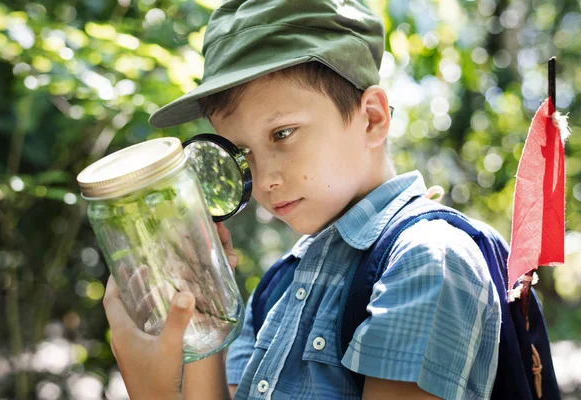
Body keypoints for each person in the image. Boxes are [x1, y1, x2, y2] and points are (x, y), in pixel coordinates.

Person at [102, 1, 501, 399]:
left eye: (282, 134)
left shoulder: (425, 262)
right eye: (241, 153)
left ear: (372, 118)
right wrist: (204, 322)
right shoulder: (277, 285)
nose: (263, 179)